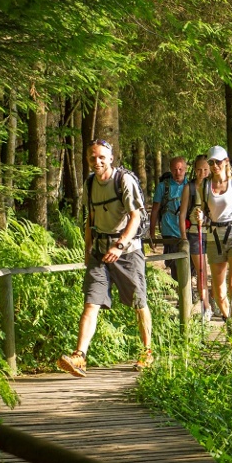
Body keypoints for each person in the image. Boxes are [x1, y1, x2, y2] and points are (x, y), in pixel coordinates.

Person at [58, 139, 153, 377]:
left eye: (101, 157)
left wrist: (120, 245)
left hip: (127, 252)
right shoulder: (90, 183)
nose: (97, 161)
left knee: (138, 302)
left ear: (111, 158)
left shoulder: (124, 180)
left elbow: (135, 217)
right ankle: (80, 356)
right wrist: (88, 248)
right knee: (91, 302)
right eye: (92, 157)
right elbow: (90, 218)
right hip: (99, 252)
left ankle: (147, 351)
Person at [194, 146, 232, 323]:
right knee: (219, 292)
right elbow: (204, 211)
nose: (214, 166)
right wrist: (199, 216)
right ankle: (229, 319)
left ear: (226, 162)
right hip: (214, 237)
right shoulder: (205, 185)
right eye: (211, 162)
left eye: (218, 162)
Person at [179, 154, 212, 319]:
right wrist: (184, 236)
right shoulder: (189, 188)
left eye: (205, 170)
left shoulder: (214, 186)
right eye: (199, 169)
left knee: (215, 272)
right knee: (201, 271)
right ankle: (206, 306)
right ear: (194, 170)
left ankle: (214, 301)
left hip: (212, 233)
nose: (202, 173)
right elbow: (182, 213)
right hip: (194, 233)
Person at [149, 156, 188, 282]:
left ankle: (187, 288)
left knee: (190, 262)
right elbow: (155, 210)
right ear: (170, 169)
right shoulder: (163, 187)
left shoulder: (192, 185)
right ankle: (178, 289)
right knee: (173, 263)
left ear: (186, 169)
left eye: (180, 169)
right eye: (175, 169)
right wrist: (152, 234)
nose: (178, 172)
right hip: (169, 230)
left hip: (188, 230)